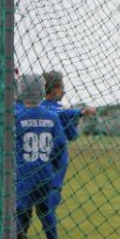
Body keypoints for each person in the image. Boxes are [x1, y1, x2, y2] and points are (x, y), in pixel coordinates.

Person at [13, 74, 68, 239]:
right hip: (44, 172)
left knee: (17, 207)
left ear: (21, 91)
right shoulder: (52, 116)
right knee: (44, 210)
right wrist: (50, 161)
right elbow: (60, 144)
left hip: (25, 172)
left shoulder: (17, 117)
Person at [39, 71, 96, 215]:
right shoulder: (59, 111)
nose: (64, 91)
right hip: (57, 158)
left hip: (37, 158)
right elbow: (68, 124)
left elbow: (71, 133)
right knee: (52, 192)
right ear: (55, 89)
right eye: (62, 88)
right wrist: (81, 113)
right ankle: (48, 215)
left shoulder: (37, 107)